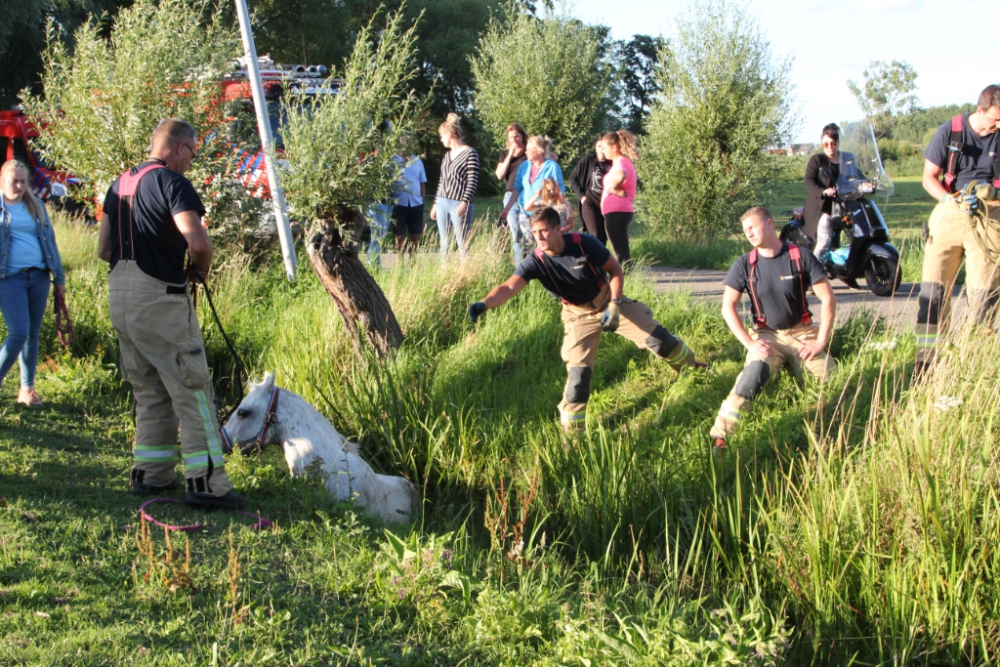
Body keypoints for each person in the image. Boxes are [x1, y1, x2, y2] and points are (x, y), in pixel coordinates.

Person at [98, 118, 244, 509]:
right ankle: (206, 484)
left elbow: (102, 249)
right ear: (180, 147)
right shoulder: (172, 183)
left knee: (149, 391)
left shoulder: (118, 185)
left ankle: (151, 474)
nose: (192, 162)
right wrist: (199, 270)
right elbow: (198, 242)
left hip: (120, 297)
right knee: (193, 390)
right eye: (193, 153)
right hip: (159, 299)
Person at [468, 207, 703, 434]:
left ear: (558, 228)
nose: (538, 237)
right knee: (578, 381)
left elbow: (616, 270)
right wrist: (485, 303)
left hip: (608, 300)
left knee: (661, 342)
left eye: (544, 231)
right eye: (535, 232)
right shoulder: (536, 261)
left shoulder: (583, 243)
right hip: (577, 315)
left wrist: (615, 305)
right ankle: (572, 438)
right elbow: (509, 287)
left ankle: (694, 370)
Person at [710, 207, 837, 454]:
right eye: (745, 230)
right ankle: (721, 436)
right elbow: (728, 307)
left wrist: (820, 341)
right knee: (752, 375)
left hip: (803, 334)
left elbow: (828, 299)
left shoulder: (800, 256)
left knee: (830, 382)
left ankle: (824, 436)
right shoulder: (744, 264)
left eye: (753, 227)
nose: (749, 233)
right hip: (766, 336)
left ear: (770, 224)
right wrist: (749, 343)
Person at [915, 85, 1000, 370]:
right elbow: (929, 178)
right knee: (931, 298)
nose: (998, 125)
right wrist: (952, 199)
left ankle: (974, 367)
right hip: (950, 212)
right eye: (995, 119)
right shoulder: (950, 131)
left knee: (984, 301)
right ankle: (926, 365)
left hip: (990, 218)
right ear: (980, 110)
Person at [0, 159, 66, 408]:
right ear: (3, 180)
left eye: (22, 181)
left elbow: (50, 242)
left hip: (38, 276)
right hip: (8, 278)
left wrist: (59, 278)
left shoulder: (36, 205)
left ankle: (27, 389)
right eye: (13, 181)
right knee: (18, 332)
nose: (18, 185)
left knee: (32, 334)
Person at [499, 136, 565, 264]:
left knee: (544, 242)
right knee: (528, 242)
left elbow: (560, 190)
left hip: (544, 212)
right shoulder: (524, 166)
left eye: (529, 149)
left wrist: (558, 209)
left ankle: (550, 266)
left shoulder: (552, 166)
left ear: (538, 151)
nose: (526, 152)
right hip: (525, 211)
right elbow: (517, 188)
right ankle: (530, 268)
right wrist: (507, 208)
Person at [430, 113, 479, 262]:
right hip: (442, 202)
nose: (441, 139)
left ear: (449, 134)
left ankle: (466, 274)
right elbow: (442, 180)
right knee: (444, 242)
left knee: (462, 243)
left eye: (442, 136)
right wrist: (435, 203)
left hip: (459, 202)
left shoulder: (470, 153)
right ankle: (444, 273)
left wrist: (465, 202)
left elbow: (472, 180)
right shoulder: (447, 155)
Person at [599, 130, 639, 267]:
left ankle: (624, 276)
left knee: (620, 249)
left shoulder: (620, 162)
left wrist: (615, 188)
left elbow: (621, 175)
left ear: (614, 148)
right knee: (621, 247)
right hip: (618, 210)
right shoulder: (621, 161)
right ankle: (624, 274)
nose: (603, 151)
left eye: (605, 148)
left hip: (617, 210)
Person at [804, 124, 842, 260]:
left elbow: (856, 175)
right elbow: (808, 180)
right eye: (826, 144)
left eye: (833, 143)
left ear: (838, 143)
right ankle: (814, 272)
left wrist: (869, 184)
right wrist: (824, 191)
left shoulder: (846, 159)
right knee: (824, 241)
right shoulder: (818, 160)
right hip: (824, 208)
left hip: (844, 206)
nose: (830, 147)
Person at [569, 136, 612, 246]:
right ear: (595, 147)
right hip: (590, 202)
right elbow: (573, 177)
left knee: (604, 236)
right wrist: (582, 197)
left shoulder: (611, 163)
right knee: (595, 234)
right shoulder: (588, 160)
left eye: (604, 146)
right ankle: (593, 260)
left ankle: (600, 261)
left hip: (606, 204)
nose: (602, 149)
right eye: (599, 146)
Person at [391, 145, 427, 254]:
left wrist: (422, 200)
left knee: (414, 235)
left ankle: (413, 262)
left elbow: (422, 182)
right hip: (399, 204)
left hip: (416, 204)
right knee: (400, 235)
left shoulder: (417, 161)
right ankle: (399, 262)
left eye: (408, 142)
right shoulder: (393, 161)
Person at [495, 122, 528, 239]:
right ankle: (518, 257)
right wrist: (510, 155)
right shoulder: (504, 154)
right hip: (510, 195)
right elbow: (499, 175)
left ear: (523, 136)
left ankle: (529, 255)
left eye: (516, 136)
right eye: (511, 137)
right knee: (515, 230)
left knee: (527, 232)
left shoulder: (529, 152)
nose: (514, 140)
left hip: (527, 194)